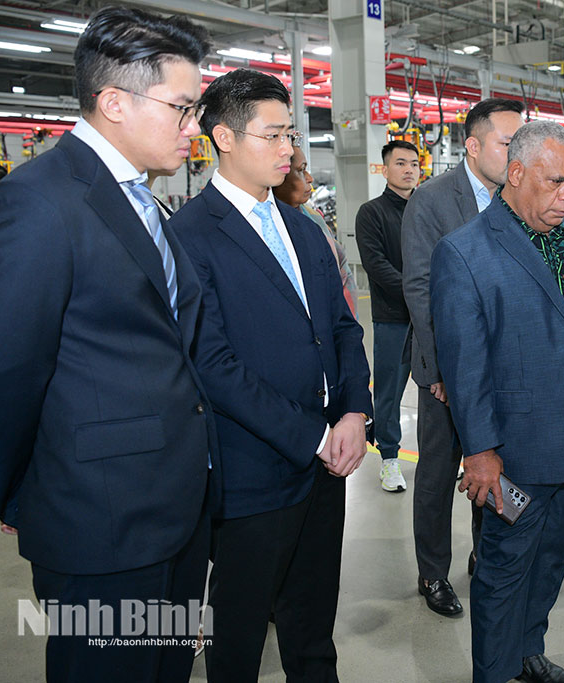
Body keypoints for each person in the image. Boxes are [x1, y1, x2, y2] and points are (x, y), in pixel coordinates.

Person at [0, 8, 216, 681]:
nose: (195, 129)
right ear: (114, 102)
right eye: (184, 109)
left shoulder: (140, 197)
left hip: (172, 509)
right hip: (98, 521)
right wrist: (18, 491)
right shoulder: (35, 204)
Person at [170, 68, 372, 683]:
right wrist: (313, 435)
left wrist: (355, 413)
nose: (289, 149)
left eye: (292, 136)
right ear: (223, 138)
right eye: (274, 135)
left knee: (313, 628)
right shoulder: (190, 236)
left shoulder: (303, 229)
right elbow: (213, 364)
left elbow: (341, 329)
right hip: (253, 470)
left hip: (326, 466)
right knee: (238, 634)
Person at [431, 121, 564, 683]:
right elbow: (466, 366)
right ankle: (495, 675)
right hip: (519, 451)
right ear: (517, 173)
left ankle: (529, 654)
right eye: (555, 183)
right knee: (504, 568)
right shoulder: (466, 252)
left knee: (551, 557)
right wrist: (480, 454)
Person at [401, 97, 525, 616]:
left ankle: (484, 553)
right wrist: (445, 373)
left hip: (501, 372)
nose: (517, 154)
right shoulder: (431, 200)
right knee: (436, 473)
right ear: (473, 146)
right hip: (446, 376)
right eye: (507, 144)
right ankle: (433, 573)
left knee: (492, 466)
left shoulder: (516, 201)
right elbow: (422, 290)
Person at [355, 140, 420, 492]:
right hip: (393, 317)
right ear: (385, 169)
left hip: (428, 319)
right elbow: (376, 264)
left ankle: (442, 458)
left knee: (438, 391)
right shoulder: (372, 212)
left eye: (413, 163)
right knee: (389, 392)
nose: (408, 169)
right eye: (400, 163)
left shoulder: (426, 209)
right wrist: (417, 293)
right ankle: (389, 460)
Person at [273, 146, 359, 316]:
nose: (310, 178)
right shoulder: (269, 226)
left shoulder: (314, 218)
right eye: (301, 170)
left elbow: (341, 271)